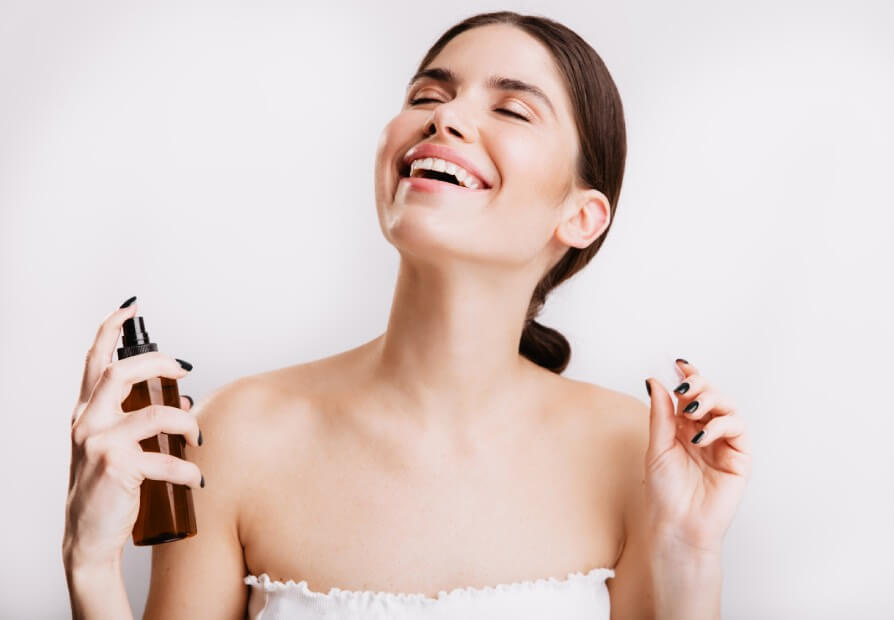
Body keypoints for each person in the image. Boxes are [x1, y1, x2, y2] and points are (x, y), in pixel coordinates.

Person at [63, 11, 752, 620]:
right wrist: (90, 565)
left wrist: (690, 556)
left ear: (580, 216)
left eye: (511, 109)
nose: (445, 118)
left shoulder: (642, 456)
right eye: (428, 94)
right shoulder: (235, 435)